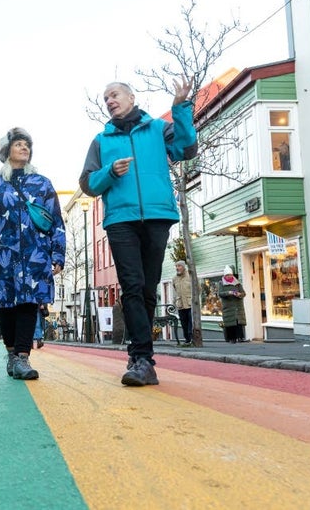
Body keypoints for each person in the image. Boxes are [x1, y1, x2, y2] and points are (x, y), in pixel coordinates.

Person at [78, 77, 194, 387]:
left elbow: (187, 148)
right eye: (106, 98)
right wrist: (110, 172)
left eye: (114, 94)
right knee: (131, 284)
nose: (109, 101)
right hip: (120, 219)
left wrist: (180, 108)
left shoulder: (157, 128)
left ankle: (139, 355)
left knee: (147, 288)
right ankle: (143, 358)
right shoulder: (102, 140)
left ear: (131, 97)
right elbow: (88, 184)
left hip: (157, 216)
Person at [0, 127, 66, 380]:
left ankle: (23, 357)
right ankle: (12, 353)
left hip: (35, 254)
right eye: (19, 144)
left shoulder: (42, 184)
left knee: (28, 303)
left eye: (27, 145)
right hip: (4, 255)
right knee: (6, 305)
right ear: (7, 151)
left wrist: (58, 254)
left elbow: (55, 219)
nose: (24, 148)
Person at [218, 265, 247, 343]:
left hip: (237, 305)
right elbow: (220, 293)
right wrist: (229, 293)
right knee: (230, 322)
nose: (229, 276)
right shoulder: (221, 283)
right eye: (227, 275)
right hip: (228, 306)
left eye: (230, 275)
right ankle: (231, 338)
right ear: (225, 276)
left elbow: (243, 293)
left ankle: (240, 337)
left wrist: (239, 294)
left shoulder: (237, 283)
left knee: (238, 322)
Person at [172, 260, 193, 345]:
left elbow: (198, 289)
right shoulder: (174, 279)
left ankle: (192, 338)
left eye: (179, 266)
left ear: (184, 267)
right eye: (176, 266)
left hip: (190, 304)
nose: (177, 268)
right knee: (184, 323)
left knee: (191, 323)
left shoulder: (190, 276)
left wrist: (192, 298)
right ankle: (187, 340)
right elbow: (175, 290)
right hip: (180, 304)